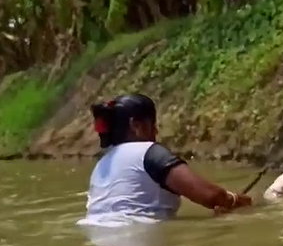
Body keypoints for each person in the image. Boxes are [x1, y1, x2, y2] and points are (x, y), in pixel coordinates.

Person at [80, 93, 252, 225]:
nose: (155, 132)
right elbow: (210, 196)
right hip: (134, 236)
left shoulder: (102, 164)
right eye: (153, 125)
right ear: (136, 126)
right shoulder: (149, 152)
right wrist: (238, 201)